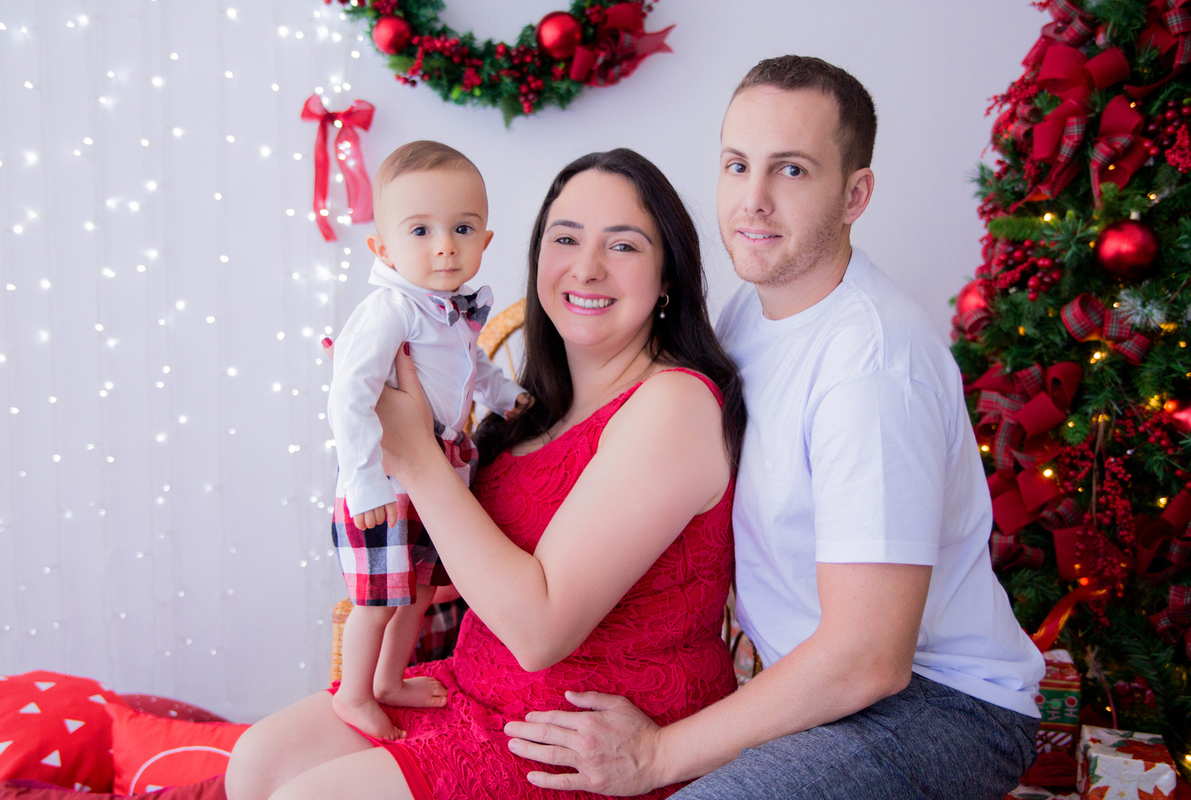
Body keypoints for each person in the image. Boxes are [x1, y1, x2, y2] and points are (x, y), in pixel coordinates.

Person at [503, 56, 1045, 800]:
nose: (751, 201)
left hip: (934, 704)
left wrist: (657, 755)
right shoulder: (749, 312)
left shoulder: (873, 366)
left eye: (790, 171)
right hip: (813, 683)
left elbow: (870, 658)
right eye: (736, 165)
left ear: (855, 195)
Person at [224, 147, 748, 800]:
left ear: (667, 274)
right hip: (475, 682)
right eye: (565, 238)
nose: (586, 267)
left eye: (624, 246)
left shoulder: (674, 403)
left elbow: (538, 634)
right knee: (257, 762)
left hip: (582, 733)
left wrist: (415, 454)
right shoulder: (532, 406)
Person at [327, 140, 529, 740]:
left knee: (417, 593)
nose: (444, 244)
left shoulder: (452, 311)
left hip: (434, 479)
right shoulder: (391, 309)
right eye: (420, 231)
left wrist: (504, 397)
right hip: (382, 483)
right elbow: (348, 393)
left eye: (462, 228)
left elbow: (474, 369)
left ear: (485, 241)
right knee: (378, 600)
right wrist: (363, 481)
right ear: (382, 248)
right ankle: (355, 694)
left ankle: (391, 680)